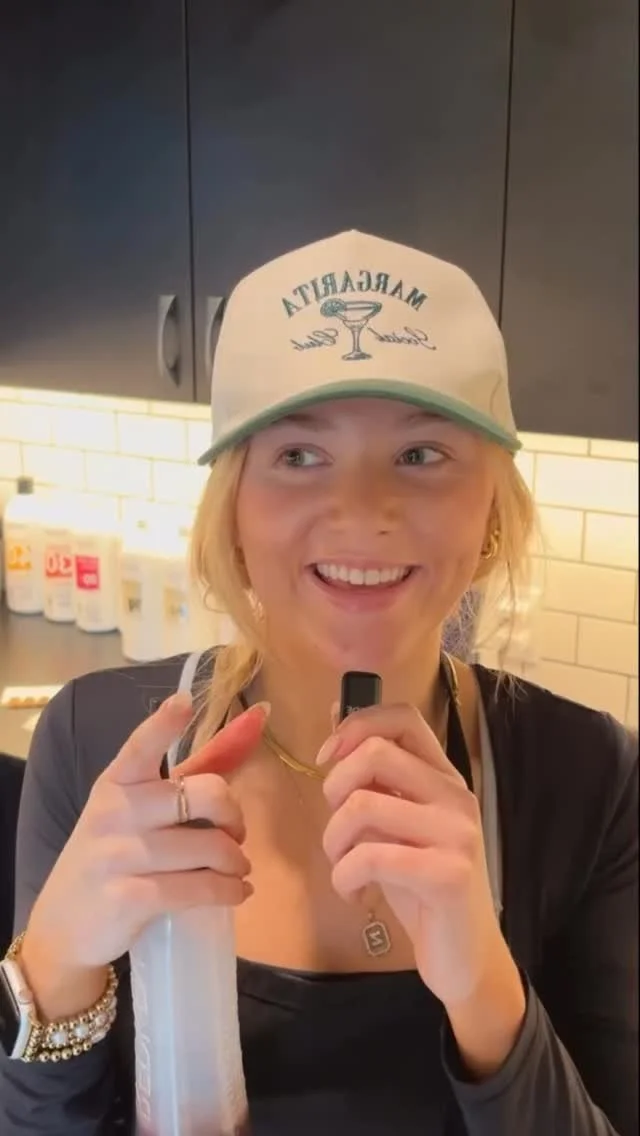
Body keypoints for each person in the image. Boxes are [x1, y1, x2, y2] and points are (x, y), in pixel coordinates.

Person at [0, 230, 636, 1136]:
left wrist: (486, 989)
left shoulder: (588, 776)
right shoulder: (94, 740)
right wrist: (57, 962)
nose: (360, 511)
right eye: (299, 456)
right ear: (235, 507)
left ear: (492, 508)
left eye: (421, 454)